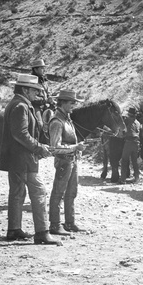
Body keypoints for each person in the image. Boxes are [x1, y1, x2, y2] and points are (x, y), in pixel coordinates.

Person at [0, 74, 60, 245]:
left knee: (17, 193)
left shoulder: (18, 104)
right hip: (23, 158)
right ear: (25, 90)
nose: (37, 94)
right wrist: (39, 147)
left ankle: (14, 229)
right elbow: (21, 133)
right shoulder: (20, 106)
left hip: (16, 158)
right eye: (34, 91)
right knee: (39, 191)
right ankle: (42, 232)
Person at [48, 90, 86, 235]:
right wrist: (75, 147)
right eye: (71, 103)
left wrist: (78, 148)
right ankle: (55, 225)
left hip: (72, 161)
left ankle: (70, 223)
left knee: (71, 192)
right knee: (58, 193)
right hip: (64, 162)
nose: (74, 105)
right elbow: (54, 148)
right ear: (62, 103)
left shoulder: (67, 120)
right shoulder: (57, 122)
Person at [31, 59, 54, 131]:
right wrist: (45, 100)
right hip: (36, 106)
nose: (44, 70)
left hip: (46, 105)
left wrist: (50, 97)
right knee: (40, 124)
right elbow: (33, 98)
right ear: (35, 69)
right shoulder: (31, 81)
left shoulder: (44, 80)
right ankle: (37, 140)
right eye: (41, 68)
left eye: (44, 68)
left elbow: (48, 91)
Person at [119, 107, 141, 184]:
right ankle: (137, 178)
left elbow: (122, 128)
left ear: (129, 114)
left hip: (128, 143)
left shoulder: (127, 120)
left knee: (124, 160)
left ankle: (123, 179)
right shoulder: (138, 123)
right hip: (136, 143)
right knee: (135, 162)